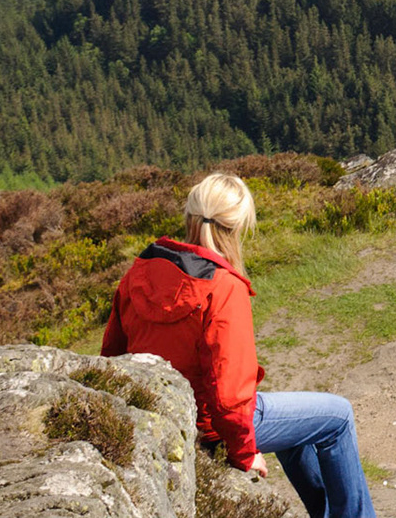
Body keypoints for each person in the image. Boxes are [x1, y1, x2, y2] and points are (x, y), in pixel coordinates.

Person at [101, 173, 377, 518]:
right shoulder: (224, 286)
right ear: (235, 228)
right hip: (213, 426)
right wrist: (245, 454)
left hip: (165, 414)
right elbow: (230, 395)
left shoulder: (139, 270)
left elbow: (112, 357)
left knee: (301, 422)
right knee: (337, 416)